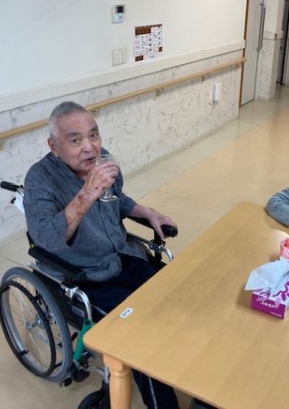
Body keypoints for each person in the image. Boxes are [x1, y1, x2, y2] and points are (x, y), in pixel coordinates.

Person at [23, 101, 180, 409]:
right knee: (139, 340)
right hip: (85, 277)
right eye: (75, 139)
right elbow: (47, 239)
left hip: (123, 257)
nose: (89, 147)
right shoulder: (40, 179)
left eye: (93, 134)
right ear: (54, 146)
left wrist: (148, 213)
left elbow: (116, 199)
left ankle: (192, 374)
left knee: (175, 300)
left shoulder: (103, 159)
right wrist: (86, 193)